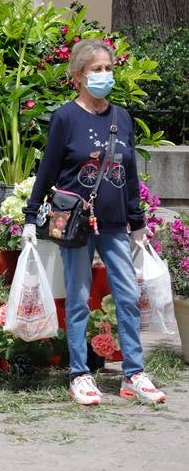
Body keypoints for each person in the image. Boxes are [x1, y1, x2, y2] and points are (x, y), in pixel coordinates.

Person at [22, 38, 166, 406]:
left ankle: (134, 373)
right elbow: (47, 170)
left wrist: (138, 222)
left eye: (108, 68)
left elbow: (131, 174)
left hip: (116, 223)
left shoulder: (122, 117)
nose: (104, 75)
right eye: (96, 69)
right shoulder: (65, 118)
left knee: (128, 296)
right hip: (76, 224)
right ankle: (80, 374)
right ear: (78, 76)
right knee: (79, 298)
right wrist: (29, 216)